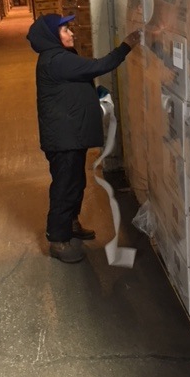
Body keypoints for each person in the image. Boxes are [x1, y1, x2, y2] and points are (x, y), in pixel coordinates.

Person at [27, 13, 141, 263]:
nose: (71, 33)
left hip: (70, 136)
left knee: (76, 182)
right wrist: (126, 45)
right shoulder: (56, 59)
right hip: (63, 139)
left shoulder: (61, 57)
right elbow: (100, 65)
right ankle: (58, 239)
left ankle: (71, 223)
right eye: (65, 30)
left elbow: (75, 83)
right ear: (52, 36)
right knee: (65, 187)